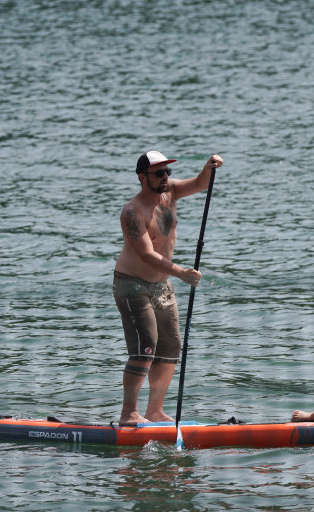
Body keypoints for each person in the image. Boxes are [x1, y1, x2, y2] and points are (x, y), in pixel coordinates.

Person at [114, 150, 224, 426]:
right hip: (132, 286)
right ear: (142, 178)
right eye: (158, 173)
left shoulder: (171, 192)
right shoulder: (131, 212)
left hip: (161, 285)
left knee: (171, 348)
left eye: (168, 172)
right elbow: (146, 255)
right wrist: (182, 273)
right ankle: (129, 413)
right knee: (146, 348)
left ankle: (154, 411)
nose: (165, 178)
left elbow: (201, 184)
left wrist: (209, 167)